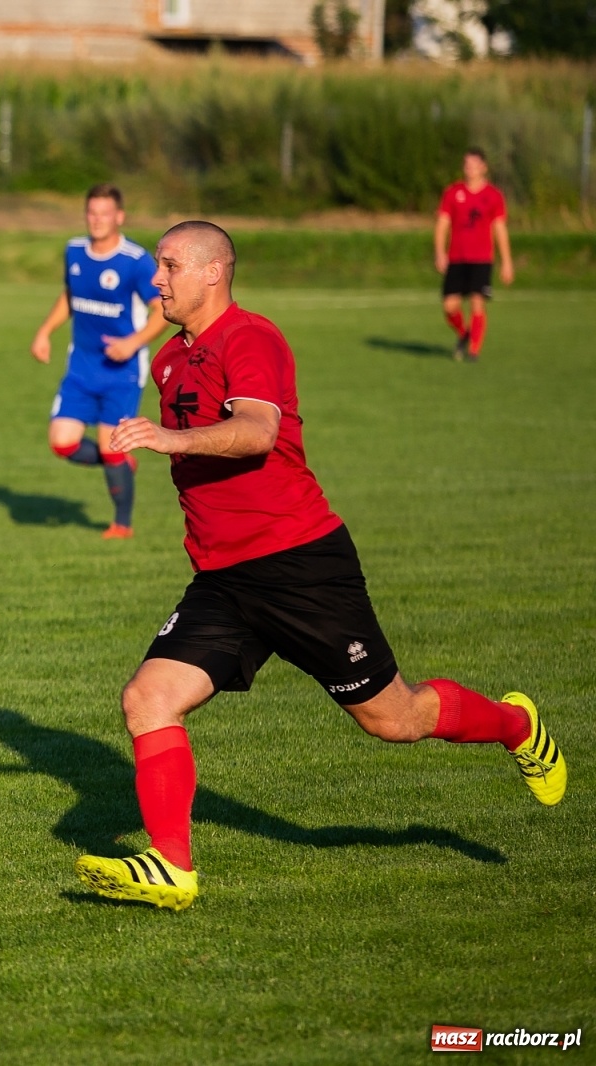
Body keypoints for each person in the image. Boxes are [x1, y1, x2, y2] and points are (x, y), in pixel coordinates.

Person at [71, 221, 565, 911]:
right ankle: (172, 869)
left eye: (170, 265)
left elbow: (258, 431)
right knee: (147, 699)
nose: (157, 279)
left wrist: (168, 437)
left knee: (395, 719)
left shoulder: (252, 338)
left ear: (214, 272)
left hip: (301, 564)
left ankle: (516, 726)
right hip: (225, 578)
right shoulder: (168, 362)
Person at [31, 184, 169, 539]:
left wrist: (133, 343)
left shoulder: (135, 261)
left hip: (122, 373)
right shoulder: (74, 251)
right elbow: (70, 296)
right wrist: (45, 331)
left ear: (119, 217)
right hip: (81, 367)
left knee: (112, 447)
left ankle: (121, 524)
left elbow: (161, 312)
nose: (97, 220)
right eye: (92, 213)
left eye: (105, 214)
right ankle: (120, 464)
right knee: (62, 442)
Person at [434, 148, 513, 363]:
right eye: (466, 164)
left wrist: (507, 262)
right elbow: (442, 224)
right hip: (457, 258)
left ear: (483, 168)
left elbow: (499, 229)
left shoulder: (494, 196)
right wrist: (440, 252)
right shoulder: (452, 193)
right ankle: (463, 333)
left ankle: (474, 351)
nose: (469, 168)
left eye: (473, 165)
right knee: (449, 306)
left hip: (481, 259)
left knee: (477, 302)